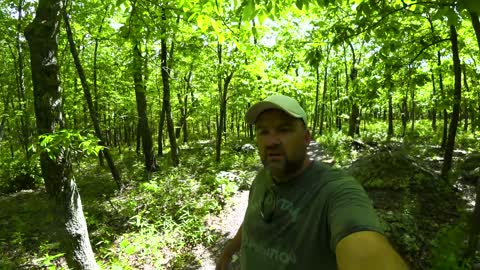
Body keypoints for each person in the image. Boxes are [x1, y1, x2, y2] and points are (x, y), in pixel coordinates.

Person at [216, 94, 408, 270]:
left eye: (284, 129)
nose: (271, 141)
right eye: (263, 131)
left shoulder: (336, 191)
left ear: (306, 137)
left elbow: (365, 248)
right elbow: (252, 220)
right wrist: (228, 252)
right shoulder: (261, 179)